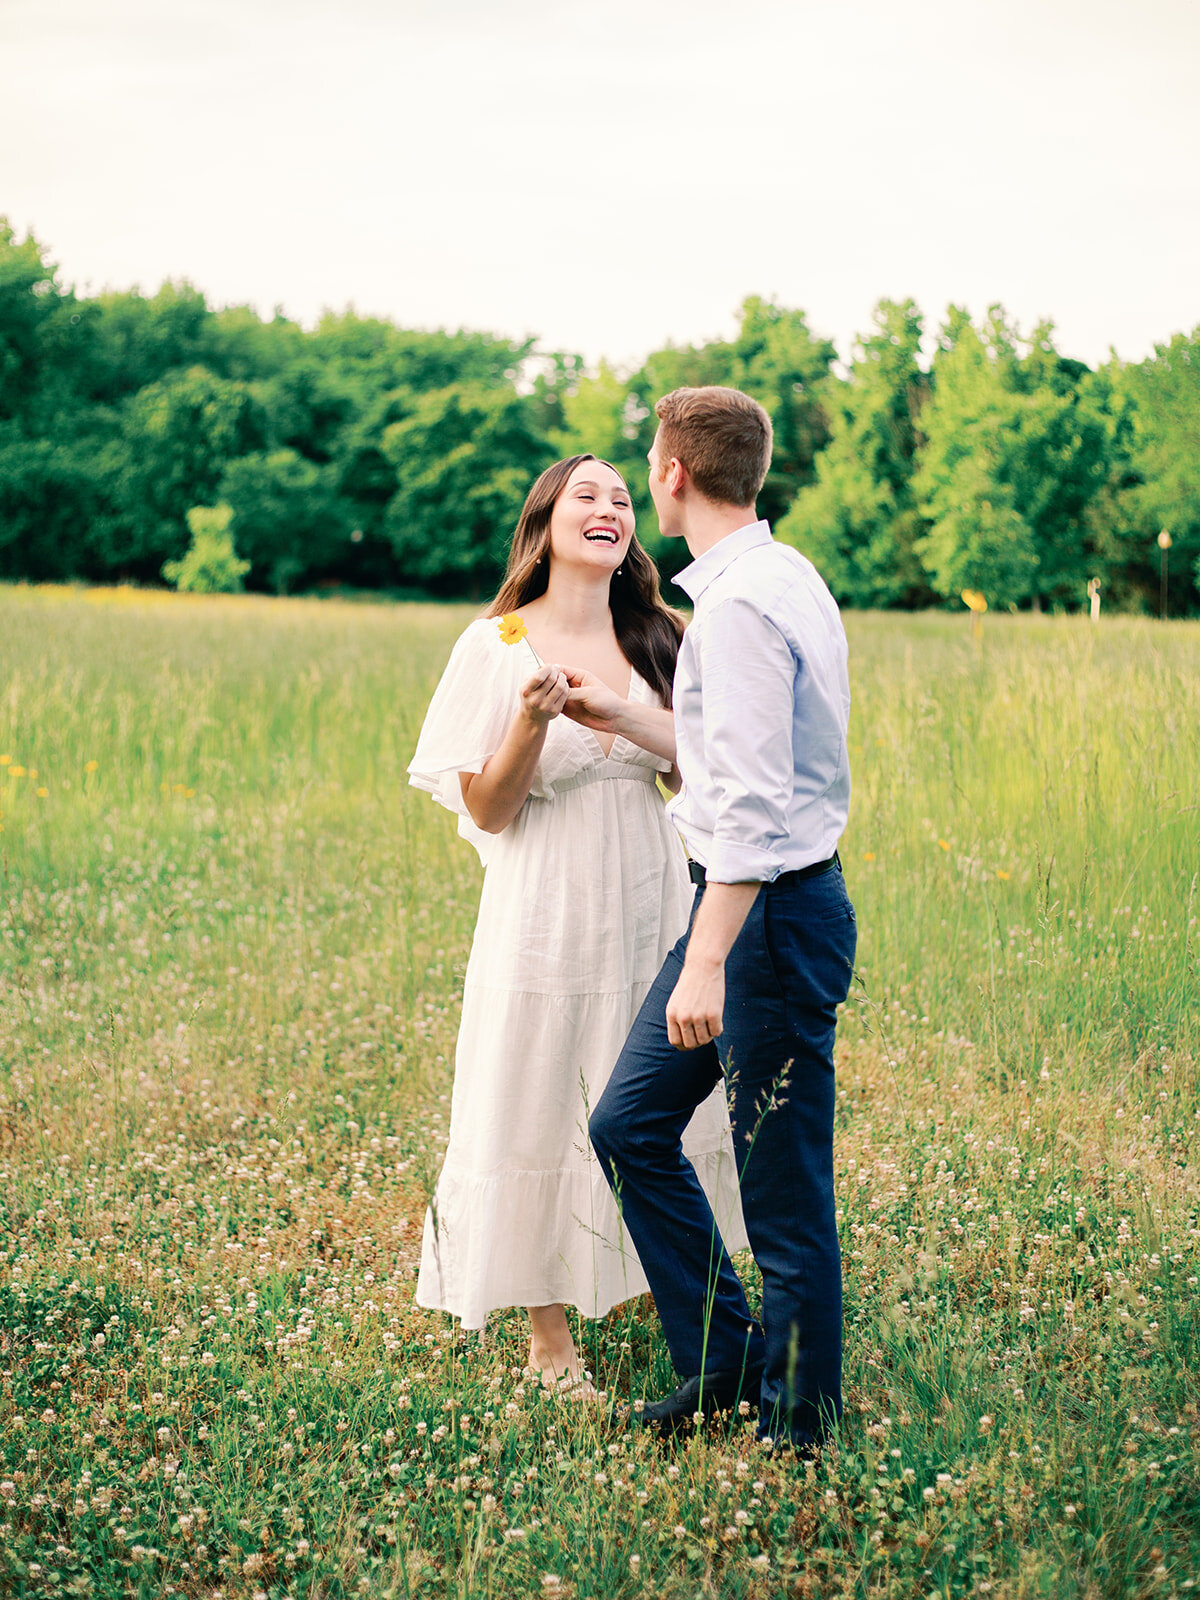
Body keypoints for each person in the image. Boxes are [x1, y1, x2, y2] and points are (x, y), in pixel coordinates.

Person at [407, 453, 747, 1392]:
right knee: (538, 1089)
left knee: (646, 1095)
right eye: (586, 496)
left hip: (649, 896)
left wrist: (629, 721)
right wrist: (526, 721)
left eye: (623, 498)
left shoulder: (660, 636)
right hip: (543, 907)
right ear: (546, 520)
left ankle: (643, 1273)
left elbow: (702, 775)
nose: (609, 509)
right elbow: (488, 808)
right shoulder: (497, 643)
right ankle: (547, 1334)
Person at [572, 388, 856, 1452]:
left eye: (649, 459)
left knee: (783, 1187)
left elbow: (747, 802)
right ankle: (724, 1358)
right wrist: (622, 713)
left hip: (764, 918)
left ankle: (799, 1420)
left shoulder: (739, 608)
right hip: (744, 906)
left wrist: (708, 964)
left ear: (672, 475)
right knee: (630, 1123)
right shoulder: (773, 577)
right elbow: (732, 745)